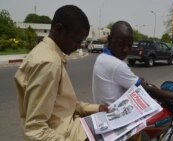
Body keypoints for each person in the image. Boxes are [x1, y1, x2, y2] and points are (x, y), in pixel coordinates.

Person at [14, 5, 108, 141]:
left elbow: (64, 105)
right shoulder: (49, 63)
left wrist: (97, 108)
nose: (78, 46)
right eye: (76, 40)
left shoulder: (49, 54)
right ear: (59, 29)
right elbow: (35, 130)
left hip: (73, 126)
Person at [92, 20, 173, 107]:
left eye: (129, 46)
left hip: (104, 112)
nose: (125, 50)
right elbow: (149, 91)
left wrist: (138, 81)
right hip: (117, 123)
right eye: (121, 44)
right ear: (110, 40)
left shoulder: (102, 57)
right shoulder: (116, 65)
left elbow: (120, 79)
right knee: (154, 124)